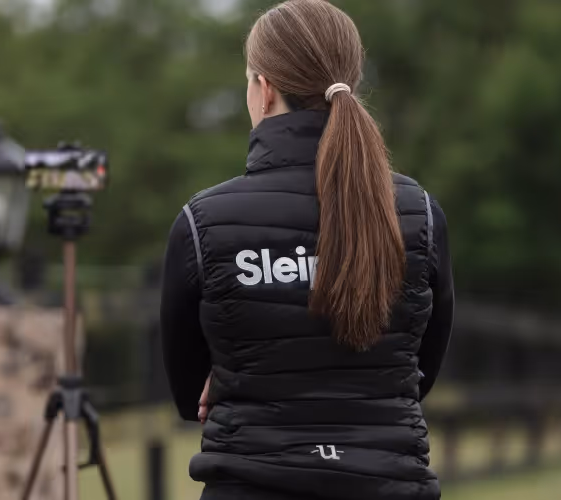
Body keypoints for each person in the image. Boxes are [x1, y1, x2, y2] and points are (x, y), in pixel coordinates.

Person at [160, 1, 454, 499]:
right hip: (388, 485)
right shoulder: (419, 214)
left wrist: (237, 377)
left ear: (264, 89)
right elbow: (418, 372)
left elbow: (190, 394)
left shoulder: (203, 221)